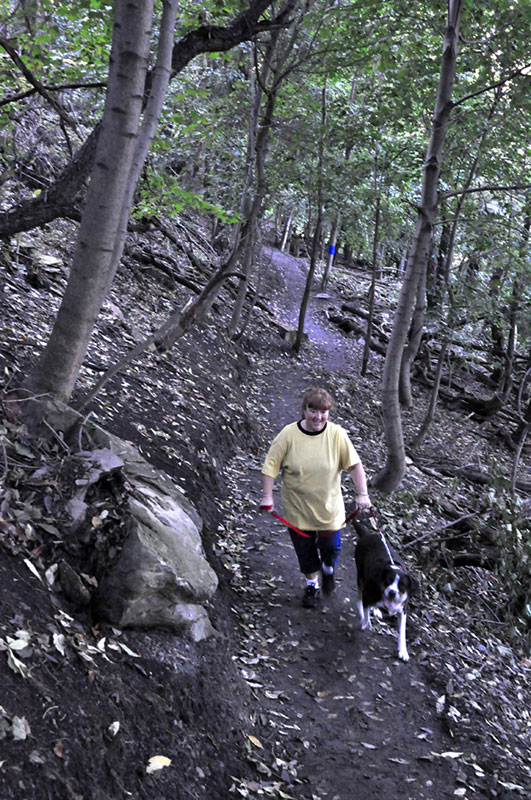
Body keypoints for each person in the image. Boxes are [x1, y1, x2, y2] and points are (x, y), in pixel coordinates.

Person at [259, 387, 371, 608]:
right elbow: (271, 466)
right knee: (305, 550)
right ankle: (312, 585)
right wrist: (266, 496)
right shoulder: (288, 435)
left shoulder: (337, 435)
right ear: (304, 410)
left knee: (331, 548)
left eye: (324, 412)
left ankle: (328, 570)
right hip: (297, 508)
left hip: (328, 507)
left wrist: (363, 494)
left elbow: (355, 465)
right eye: (313, 411)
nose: (318, 417)